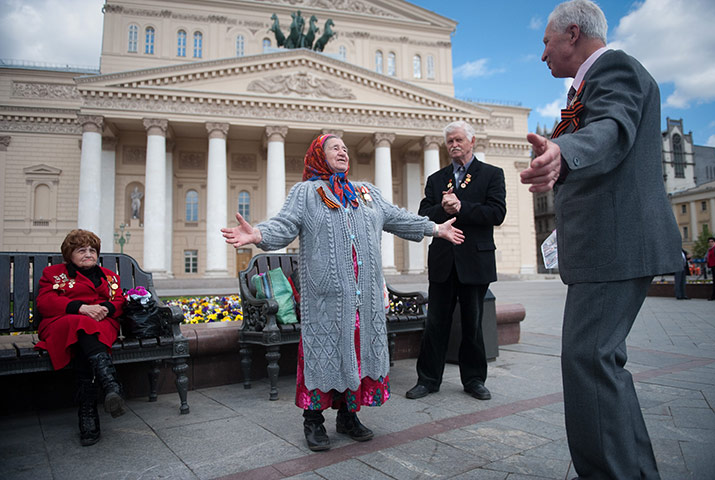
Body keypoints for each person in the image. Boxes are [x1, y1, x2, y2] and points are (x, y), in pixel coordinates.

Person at [519, 1, 682, 478]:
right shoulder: (585, 87)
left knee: (589, 362)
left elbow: (611, 128)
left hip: (616, 244)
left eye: (546, 42)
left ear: (572, 34)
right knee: (599, 362)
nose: (542, 53)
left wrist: (563, 154)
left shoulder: (614, 69)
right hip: (606, 247)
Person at [221, 133, 464, 452]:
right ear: (318, 155)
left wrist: (435, 228)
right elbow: (284, 224)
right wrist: (259, 234)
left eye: (345, 148)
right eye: (334, 148)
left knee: (358, 355)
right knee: (323, 357)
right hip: (326, 301)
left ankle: (348, 416)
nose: (343, 152)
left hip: (365, 302)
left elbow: (398, 218)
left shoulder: (366, 193)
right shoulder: (306, 193)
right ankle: (313, 421)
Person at [406, 120, 506, 402]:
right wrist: (443, 208)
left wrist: (463, 207)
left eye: (459, 139)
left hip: (475, 261)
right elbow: (424, 215)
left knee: (472, 323)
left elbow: (497, 213)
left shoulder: (491, 175)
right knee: (436, 323)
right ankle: (427, 380)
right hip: (443, 261)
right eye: (449, 141)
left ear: (471, 141)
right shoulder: (437, 179)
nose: (454, 145)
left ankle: (474, 380)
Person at [35, 229, 126, 446]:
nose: (88, 254)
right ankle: (110, 385)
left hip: (102, 324)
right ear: (69, 254)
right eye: (81, 250)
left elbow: (120, 301)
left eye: (92, 250)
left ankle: (88, 415)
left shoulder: (109, 276)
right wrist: (81, 308)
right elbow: (45, 303)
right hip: (62, 323)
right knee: (83, 324)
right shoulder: (54, 274)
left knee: (88, 334)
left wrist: (103, 307)